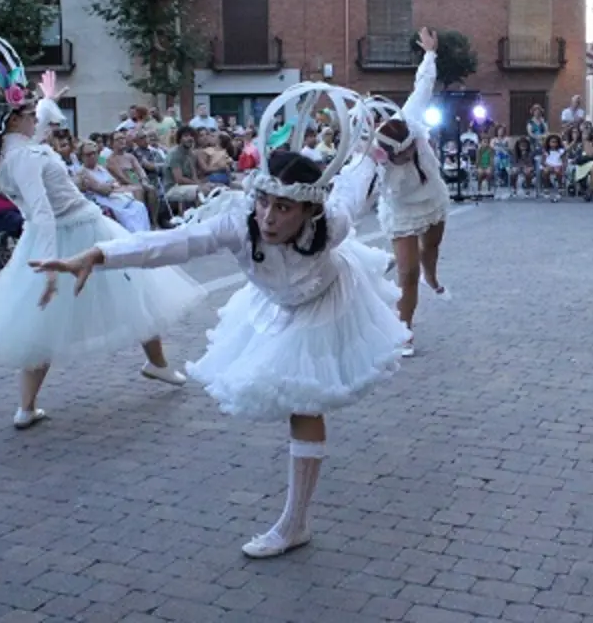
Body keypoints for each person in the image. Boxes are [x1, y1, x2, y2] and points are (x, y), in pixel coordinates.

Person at [32, 83, 409, 559]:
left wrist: (378, 145)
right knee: (297, 401)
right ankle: (296, 521)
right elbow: (171, 244)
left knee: (306, 404)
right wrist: (99, 253)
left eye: (285, 208)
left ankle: (295, 523)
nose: (269, 216)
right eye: (265, 202)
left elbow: (357, 178)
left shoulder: (333, 222)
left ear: (309, 210)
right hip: (274, 304)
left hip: (326, 301)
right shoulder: (238, 223)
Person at [0, 33, 205, 429]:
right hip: (70, 232)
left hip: (73, 229)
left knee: (133, 290)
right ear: (16, 118)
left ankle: (153, 365)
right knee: (86, 305)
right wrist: (51, 268)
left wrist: (49, 101)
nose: (38, 118)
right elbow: (43, 213)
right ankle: (29, 404)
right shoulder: (25, 155)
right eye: (31, 112)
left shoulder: (8, 147)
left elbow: (43, 124)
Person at [357, 27, 450, 357]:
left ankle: (433, 273)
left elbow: (423, 85)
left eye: (410, 148)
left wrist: (429, 53)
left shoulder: (409, 117)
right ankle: (404, 329)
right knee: (406, 272)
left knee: (433, 246)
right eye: (401, 155)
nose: (408, 155)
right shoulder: (373, 161)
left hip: (432, 195)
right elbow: (357, 195)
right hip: (401, 211)